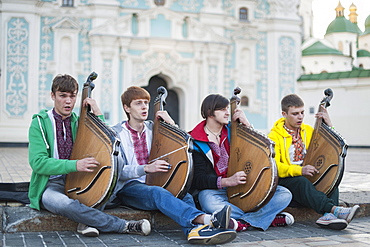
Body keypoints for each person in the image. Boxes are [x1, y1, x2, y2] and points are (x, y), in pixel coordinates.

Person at [28, 74, 150, 237]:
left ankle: (84, 222)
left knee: (116, 162)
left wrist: (97, 112)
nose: (68, 101)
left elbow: (107, 141)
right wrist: (75, 165)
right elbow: (38, 163)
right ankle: (124, 226)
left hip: (79, 180)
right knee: (63, 203)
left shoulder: (79, 122)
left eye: (72, 96)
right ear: (53, 96)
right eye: (62, 96)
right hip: (51, 183)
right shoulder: (40, 123)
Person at [111, 86, 237, 245]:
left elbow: (184, 145)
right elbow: (117, 171)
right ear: (126, 108)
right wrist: (145, 168)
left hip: (157, 181)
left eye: (146, 103)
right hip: (129, 187)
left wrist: (171, 123)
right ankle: (209, 219)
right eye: (138, 103)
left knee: (185, 195)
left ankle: (193, 232)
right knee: (157, 193)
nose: (144, 107)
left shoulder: (154, 128)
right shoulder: (116, 133)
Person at [189, 94, 294, 232]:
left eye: (228, 108)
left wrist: (247, 124)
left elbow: (259, 150)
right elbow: (198, 179)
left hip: (244, 186)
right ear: (210, 113)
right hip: (217, 191)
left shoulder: (235, 132)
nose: (228, 112)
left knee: (284, 194)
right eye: (222, 109)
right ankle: (265, 219)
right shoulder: (195, 140)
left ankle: (242, 223)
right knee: (207, 200)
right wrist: (227, 181)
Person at [268, 93, 360, 230]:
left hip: (306, 179)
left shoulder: (308, 131)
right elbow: (275, 167)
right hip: (287, 181)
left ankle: (328, 217)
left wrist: (330, 125)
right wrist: (300, 170)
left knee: (331, 179)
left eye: (302, 113)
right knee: (301, 181)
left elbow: (329, 146)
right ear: (284, 114)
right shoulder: (274, 136)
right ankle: (333, 210)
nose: (300, 117)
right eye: (294, 113)